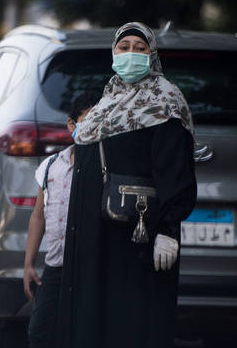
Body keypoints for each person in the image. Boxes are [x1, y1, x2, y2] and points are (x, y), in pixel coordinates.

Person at [56, 22, 197, 348]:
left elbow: (175, 170)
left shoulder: (166, 102)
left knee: (130, 320)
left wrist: (168, 230)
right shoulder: (105, 101)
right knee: (93, 320)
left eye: (139, 47)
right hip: (93, 239)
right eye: (124, 47)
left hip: (135, 238)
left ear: (152, 55)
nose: (131, 53)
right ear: (113, 52)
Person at [23, 92, 100, 348]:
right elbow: (38, 216)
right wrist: (29, 263)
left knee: (82, 333)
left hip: (91, 269)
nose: (94, 128)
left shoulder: (105, 167)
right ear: (72, 125)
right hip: (55, 267)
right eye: (88, 120)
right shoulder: (51, 166)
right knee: (40, 332)